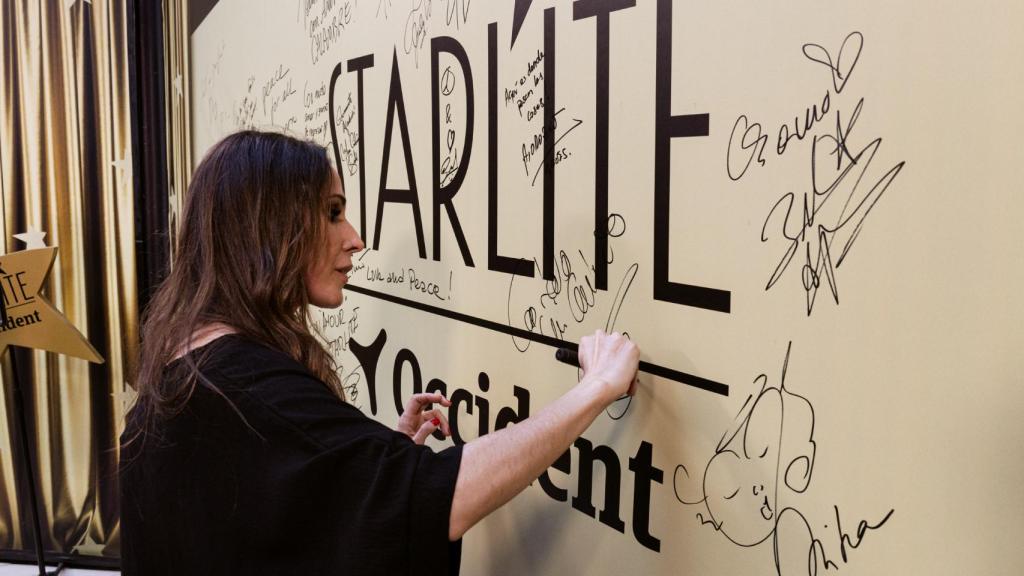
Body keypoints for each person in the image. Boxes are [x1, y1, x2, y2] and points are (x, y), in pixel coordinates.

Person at [119, 130, 640, 575]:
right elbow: (438, 499)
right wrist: (595, 388)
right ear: (270, 228)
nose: (354, 238)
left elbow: (261, 522)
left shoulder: (186, 372)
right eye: (331, 212)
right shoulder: (253, 391)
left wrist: (369, 464)